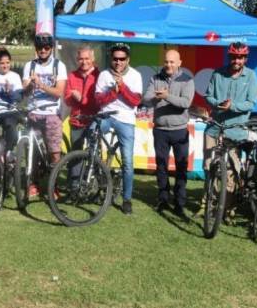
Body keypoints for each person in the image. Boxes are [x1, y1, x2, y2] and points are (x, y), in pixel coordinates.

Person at [202, 42, 257, 219]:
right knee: (209, 167)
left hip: (235, 130)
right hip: (214, 128)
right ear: (230, 57)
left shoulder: (251, 76)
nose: (237, 60)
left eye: (241, 57)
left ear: (245, 59)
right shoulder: (218, 73)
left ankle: (227, 209)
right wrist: (217, 104)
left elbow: (251, 102)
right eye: (234, 56)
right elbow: (208, 95)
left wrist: (232, 106)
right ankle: (206, 205)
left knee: (230, 172)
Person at [143, 49, 195, 219]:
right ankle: (163, 199)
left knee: (181, 168)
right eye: (166, 62)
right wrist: (157, 98)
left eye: (172, 62)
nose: (168, 65)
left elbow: (185, 103)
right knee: (161, 166)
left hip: (179, 130)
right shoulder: (155, 78)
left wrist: (167, 96)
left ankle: (179, 203)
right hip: (160, 130)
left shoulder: (187, 80)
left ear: (179, 63)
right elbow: (146, 99)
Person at [95, 42, 142, 215]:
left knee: (128, 162)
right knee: (92, 131)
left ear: (127, 60)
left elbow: (135, 101)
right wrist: (113, 92)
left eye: (122, 59)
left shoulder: (135, 75)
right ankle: (94, 174)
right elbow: (99, 101)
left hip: (126, 120)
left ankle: (127, 199)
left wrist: (122, 88)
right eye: (115, 59)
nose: (118, 62)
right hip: (107, 116)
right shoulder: (103, 75)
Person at [23, 33, 67, 197]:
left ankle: (53, 185)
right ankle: (33, 183)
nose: (43, 50)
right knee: (31, 151)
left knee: (54, 152)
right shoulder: (30, 66)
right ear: (36, 48)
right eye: (40, 48)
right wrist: (30, 86)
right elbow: (25, 92)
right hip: (33, 113)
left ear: (51, 48)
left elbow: (58, 92)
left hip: (51, 113)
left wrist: (41, 84)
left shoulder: (58, 66)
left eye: (46, 47)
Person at [64, 45, 100, 151]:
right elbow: (67, 99)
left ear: (92, 59)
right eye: (81, 59)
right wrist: (72, 98)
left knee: (93, 154)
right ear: (77, 60)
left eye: (87, 59)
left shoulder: (99, 76)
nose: (84, 62)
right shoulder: (72, 76)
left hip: (93, 121)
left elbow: (99, 101)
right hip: (76, 121)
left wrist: (81, 99)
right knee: (75, 154)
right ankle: (76, 168)